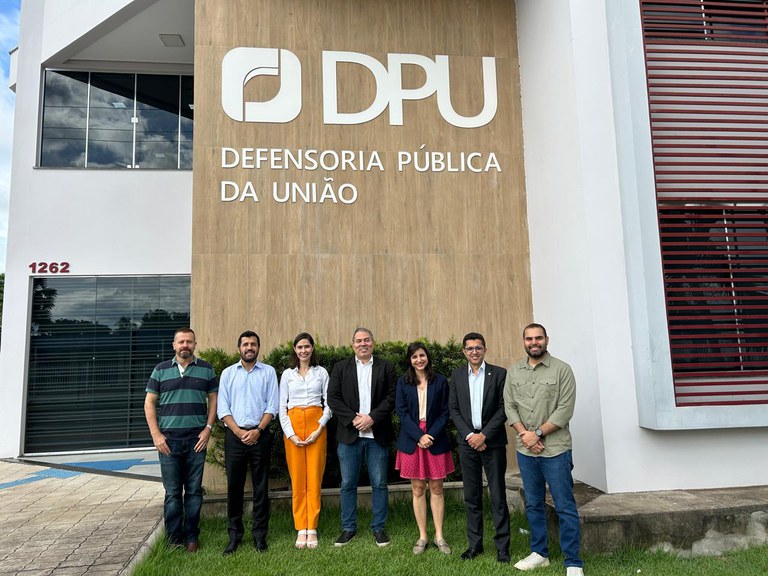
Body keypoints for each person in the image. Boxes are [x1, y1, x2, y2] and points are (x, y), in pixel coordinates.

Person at [504, 323, 584, 575]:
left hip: (556, 451)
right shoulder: (514, 371)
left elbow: (565, 409)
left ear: (547, 339)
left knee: (565, 506)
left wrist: (536, 434)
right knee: (534, 504)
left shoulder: (562, 370)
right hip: (526, 452)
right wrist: (525, 436)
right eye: (529, 338)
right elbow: (510, 406)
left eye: (538, 337)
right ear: (524, 341)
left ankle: (573, 562)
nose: (533, 342)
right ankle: (540, 553)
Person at [144, 327, 218, 553]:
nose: (185, 345)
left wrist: (208, 429)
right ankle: (174, 539)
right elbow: (149, 403)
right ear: (174, 345)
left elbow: (214, 400)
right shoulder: (160, 370)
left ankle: (192, 537)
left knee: (194, 491)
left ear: (195, 344)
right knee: (173, 492)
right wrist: (156, 435)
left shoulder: (206, 369)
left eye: (189, 342)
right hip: (169, 441)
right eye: (181, 342)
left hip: (197, 440)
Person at [327, 327, 397, 548]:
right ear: (352, 345)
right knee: (348, 484)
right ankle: (348, 528)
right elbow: (333, 398)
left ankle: (379, 528)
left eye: (367, 340)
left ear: (373, 343)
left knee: (379, 483)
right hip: (350, 434)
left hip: (377, 434)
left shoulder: (386, 367)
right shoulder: (340, 368)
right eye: (358, 341)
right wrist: (353, 419)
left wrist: (372, 418)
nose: (362, 344)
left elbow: (392, 396)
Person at [448, 332, 511, 563]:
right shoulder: (456, 376)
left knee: (497, 496)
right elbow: (453, 409)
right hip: (467, 445)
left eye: (478, 348)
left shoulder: (499, 374)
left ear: (485, 349)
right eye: (470, 348)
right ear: (464, 351)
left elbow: (504, 408)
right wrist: (470, 436)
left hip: (492, 443)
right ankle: (475, 546)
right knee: (472, 497)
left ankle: (502, 548)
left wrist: (483, 435)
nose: (474, 352)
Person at [217, 330, 279, 556]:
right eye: (245, 344)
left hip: (260, 436)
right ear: (239, 348)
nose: (249, 347)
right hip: (235, 438)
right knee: (234, 488)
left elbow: (272, 405)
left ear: (258, 348)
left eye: (253, 344)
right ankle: (234, 536)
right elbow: (223, 408)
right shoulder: (227, 374)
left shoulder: (269, 372)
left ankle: (259, 536)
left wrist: (257, 431)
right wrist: (239, 432)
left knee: (261, 488)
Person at [395, 342, 455, 555]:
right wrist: (419, 436)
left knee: (437, 488)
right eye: (414, 357)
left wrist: (430, 435)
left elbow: (445, 412)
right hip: (412, 439)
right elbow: (401, 413)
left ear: (427, 357)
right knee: (418, 488)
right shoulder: (403, 382)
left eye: (422, 355)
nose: (419, 360)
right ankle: (423, 536)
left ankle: (439, 536)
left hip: (435, 438)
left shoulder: (440, 381)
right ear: (409, 360)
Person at [278, 332, 332, 549]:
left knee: (314, 479)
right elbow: (282, 406)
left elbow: (329, 404)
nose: (303, 351)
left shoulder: (321, 373)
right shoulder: (287, 375)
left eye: (307, 347)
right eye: (300, 347)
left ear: (312, 348)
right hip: (293, 426)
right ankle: (301, 527)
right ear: (294, 349)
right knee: (298, 479)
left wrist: (318, 429)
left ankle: (313, 527)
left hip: (316, 425)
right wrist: (290, 434)